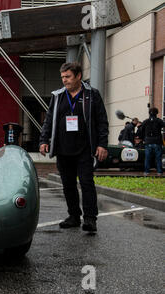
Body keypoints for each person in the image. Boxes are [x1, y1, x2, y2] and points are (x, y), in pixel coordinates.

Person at [39, 62, 109, 232]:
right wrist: (44, 140)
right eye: (63, 77)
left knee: (86, 183)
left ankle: (90, 219)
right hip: (63, 149)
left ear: (78, 76)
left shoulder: (92, 95)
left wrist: (102, 144)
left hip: (84, 148)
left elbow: (102, 121)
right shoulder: (58, 96)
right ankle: (74, 216)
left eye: (68, 77)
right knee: (68, 185)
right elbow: (49, 120)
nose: (65, 80)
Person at [137, 107, 164, 176]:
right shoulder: (159, 121)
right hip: (157, 141)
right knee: (158, 157)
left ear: (149, 113)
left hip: (148, 141)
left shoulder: (145, 121)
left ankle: (146, 171)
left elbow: (140, 131)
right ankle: (159, 172)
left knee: (147, 157)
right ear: (157, 113)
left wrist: (143, 138)